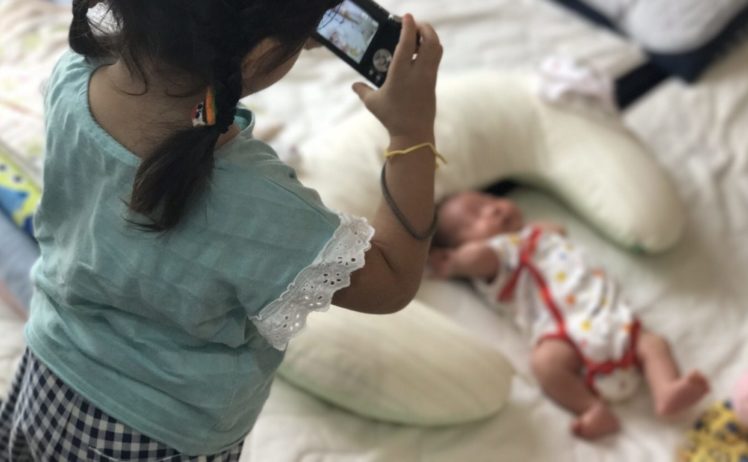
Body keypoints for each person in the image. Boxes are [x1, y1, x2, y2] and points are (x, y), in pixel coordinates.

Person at [0, 0, 443, 459]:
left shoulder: (72, 78)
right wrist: (411, 131)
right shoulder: (261, 202)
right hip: (156, 439)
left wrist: (282, 28)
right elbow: (392, 279)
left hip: (47, 376)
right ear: (260, 52)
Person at [428, 191, 709, 440]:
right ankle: (591, 408)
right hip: (564, 336)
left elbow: (557, 230)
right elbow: (477, 258)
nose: (493, 209)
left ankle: (666, 389)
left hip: (612, 318)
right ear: (458, 247)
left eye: (489, 200)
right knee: (545, 364)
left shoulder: (539, 234)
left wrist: (539, 230)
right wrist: (454, 264)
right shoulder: (500, 257)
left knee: (653, 344)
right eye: (473, 218)